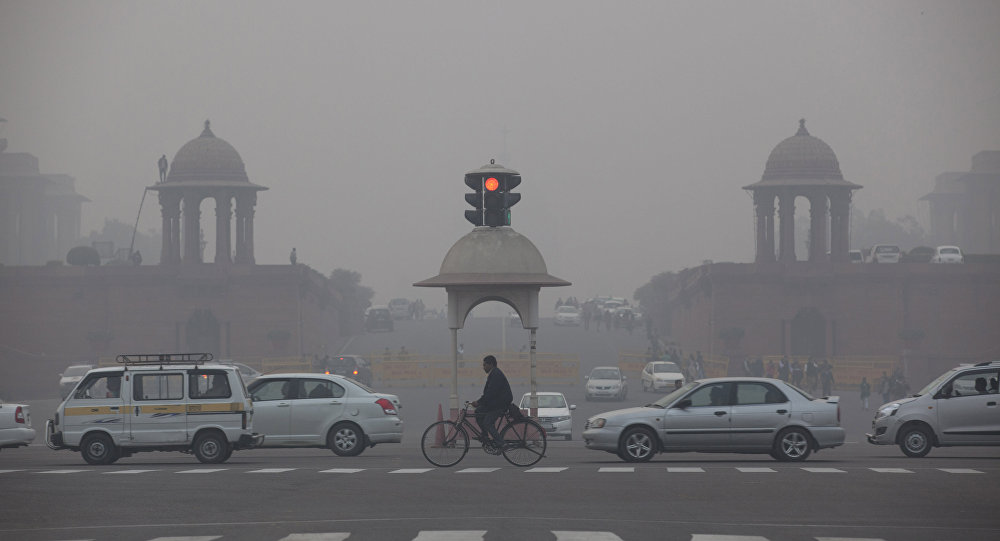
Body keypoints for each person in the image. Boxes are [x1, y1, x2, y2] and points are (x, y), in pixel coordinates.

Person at [470, 355, 513, 452]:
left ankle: (502, 444)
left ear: (491, 364)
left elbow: (490, 393)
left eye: (485, 365)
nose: (483, 367)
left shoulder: (496, 374)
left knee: (488, 423)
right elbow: (489, 394)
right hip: (495, 403)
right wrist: (480, 403)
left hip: (500, 404)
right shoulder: (493, 373)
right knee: (478, 412)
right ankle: (485, 436)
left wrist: (479, 402)